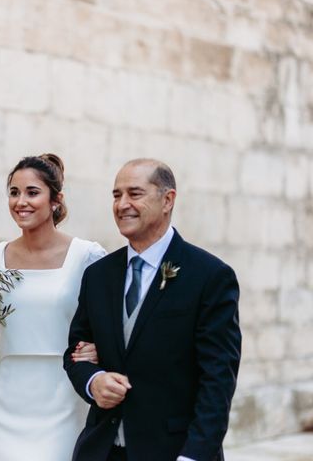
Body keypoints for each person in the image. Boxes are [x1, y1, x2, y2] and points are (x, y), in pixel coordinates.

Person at [64, 158, 242, 461]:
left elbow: (218, 378)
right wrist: (94, 381)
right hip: (102, 450)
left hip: (174, 451)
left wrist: (194, 456)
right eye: (116, 195)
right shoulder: (98, 275)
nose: (122, 205)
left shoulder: (210, 276)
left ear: (167, 200)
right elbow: (76, 351)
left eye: (134, 194)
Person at [0, 154, 106, 461]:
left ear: (56, 200)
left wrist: (100, 348)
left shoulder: (87, 256)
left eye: (32, 192)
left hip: (63, 396)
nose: (21, 202)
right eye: (14, 192)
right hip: (4, 399)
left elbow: (111, 322)